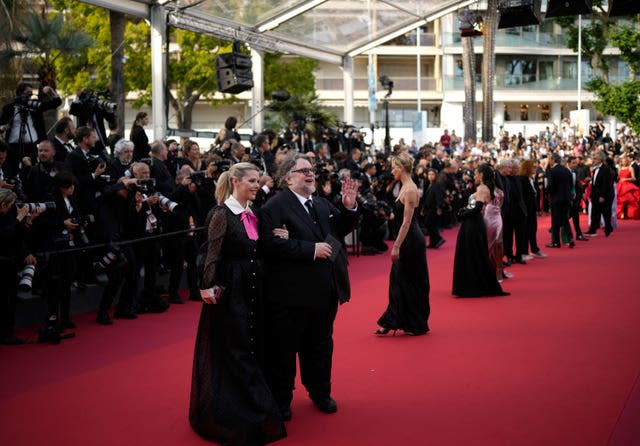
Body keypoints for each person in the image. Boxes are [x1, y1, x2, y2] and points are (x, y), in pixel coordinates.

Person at [190, 162, 287, 445]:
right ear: (235, 182)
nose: (257, 185)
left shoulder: (251, 212)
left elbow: (257, 247)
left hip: (254, 288)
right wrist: (206, 285)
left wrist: (279, 237)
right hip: (232, 292)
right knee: (238, 349)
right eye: (252, 181)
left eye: (258, 181)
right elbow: (211, 253)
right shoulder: (222, 213)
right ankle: (248, 410)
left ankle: (253, 406)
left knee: (252, 345)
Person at [258, 153, 359, 421]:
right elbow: (269, 245)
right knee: (284, 351)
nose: (310, 173)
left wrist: (349, 208)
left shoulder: (323, 204)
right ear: (287, 178)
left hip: (325, 293)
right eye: (303, 170)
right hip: (289, 295)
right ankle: (281, 401)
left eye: (311, 169)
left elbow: (339, 230)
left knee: (321, 347)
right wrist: (310, 250)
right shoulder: (273, 208)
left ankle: (320, 393)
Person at [375, 152, 430, 335]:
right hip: (407, 237)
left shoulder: (411, 189)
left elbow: (407, 222)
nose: (391, 171)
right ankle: (395, 320)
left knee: (409, 281)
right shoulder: (404, 187)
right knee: (399, 280)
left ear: (401, 168)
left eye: (393, 167)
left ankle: (411, 322)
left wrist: (396, 245)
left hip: (411, 240)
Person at [452, 164, 509, 297]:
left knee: (475, 254)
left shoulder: (483, 188)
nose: (475, 176)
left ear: (482, 175)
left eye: (476, 173)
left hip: (474, 223)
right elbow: (473, 206)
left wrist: (462, 213)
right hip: (472, 223)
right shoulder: (481, 188)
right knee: (474, 254)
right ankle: (471, 285)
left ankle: (473, 286)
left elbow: (477, 208)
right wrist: (464, 211)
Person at [546, 153, 575, 248]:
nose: (549, 161)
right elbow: (571, 184)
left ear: (554, 160)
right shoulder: (566, 170)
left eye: (550, 159)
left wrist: (547, 193)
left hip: (556, 199)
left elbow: (550, 185)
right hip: (566, 198)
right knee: (565, 220)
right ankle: (570, 238)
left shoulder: (552, 171)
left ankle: (556, 242)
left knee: (555, 221)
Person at [585, 151, 614, 237]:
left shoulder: (606, 169)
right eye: (593, 158)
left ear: (601, 159)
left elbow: (606, 184)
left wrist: (602, 196)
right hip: (595, 194)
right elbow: (595, 182)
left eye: (595, 158)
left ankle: (608, 229)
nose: (593, 160)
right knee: (595, 213)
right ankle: (592, 230)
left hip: (603, 195)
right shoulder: (595, 168)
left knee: (606, 213)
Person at [616, 155, 640, 219]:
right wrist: (618, 178)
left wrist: (626, 179)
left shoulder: (630, 168)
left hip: (627, 186)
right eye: (622, 161)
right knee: (619, 200)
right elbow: (618, 177)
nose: (624, 162)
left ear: (627, 161)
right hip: (620, 186)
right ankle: (621, 213)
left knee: (631, 200)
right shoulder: (619, 168)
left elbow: (634, 178)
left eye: (625, 161)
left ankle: (629, 214)